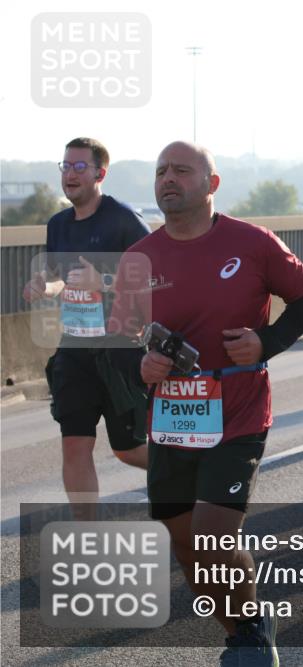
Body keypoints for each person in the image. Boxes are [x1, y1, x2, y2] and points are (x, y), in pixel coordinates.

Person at [108, 141, 303, 667]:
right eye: (161, 171)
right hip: (172, 417)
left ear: (212, 183)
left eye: (182, 170)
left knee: (212, 537)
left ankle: (249, 640)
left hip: (238, 411)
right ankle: (246, 626)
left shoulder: (251, 243)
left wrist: (266, 342)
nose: (168, 179)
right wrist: (142, 369)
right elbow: (120, 337)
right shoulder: (139, 259)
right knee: (188, 549)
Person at [22, 137, 151, 520]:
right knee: (74, 445)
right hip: (74, 351)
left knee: (127, 450)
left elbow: (159, 279)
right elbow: (63, 278)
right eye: (65, 166)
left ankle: (189, 473)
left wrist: (106, 282)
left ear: (100, 173)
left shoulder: (124, 220)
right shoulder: (58, 224)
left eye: (80, 167)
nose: (71, 174)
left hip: (120, 349)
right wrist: (45, 286)